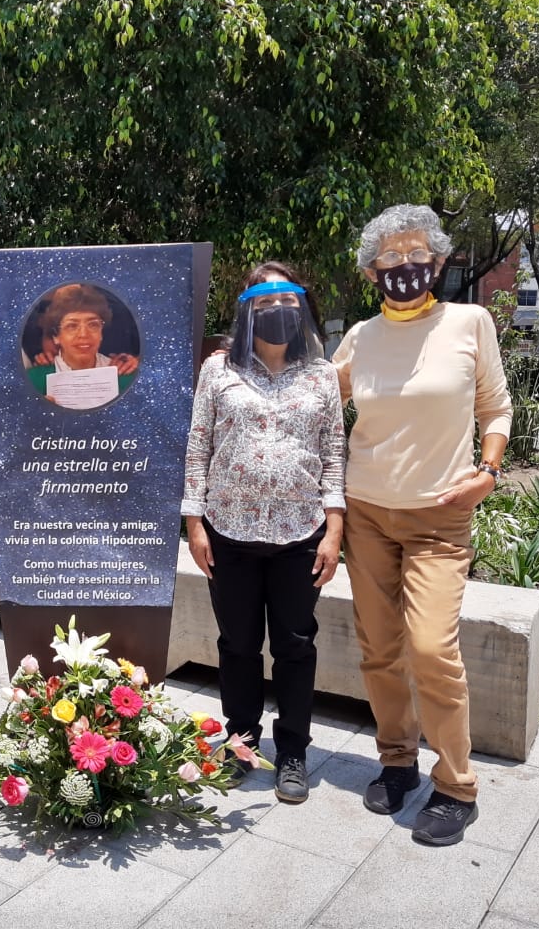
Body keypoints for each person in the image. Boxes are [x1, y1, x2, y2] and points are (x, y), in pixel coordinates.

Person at [332, 204, 511, 846]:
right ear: (371, 269)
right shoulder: (360, 337)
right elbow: (320, 407)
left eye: (416, 257)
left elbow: (495, 404)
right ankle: (397, 760)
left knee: (433, 649)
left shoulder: (470, 321)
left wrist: (488, 471)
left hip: (441, 516)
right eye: (390, 259)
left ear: (437, 261)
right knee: (380, 649)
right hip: (368, 514)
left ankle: (458, 785)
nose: (404, 268)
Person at [182, 263, 345, 804]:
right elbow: (197, 446)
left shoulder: (322, 374)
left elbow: (334, 454)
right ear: (247, 308)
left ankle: (293, 750)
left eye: (287, 301)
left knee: (296, 646)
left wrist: (334, 529)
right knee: (238, 645)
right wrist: (194, 522)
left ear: (302, 306)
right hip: (229, 532)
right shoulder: (218, 370)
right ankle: (241, 741)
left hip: (301, 534)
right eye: (264, 302)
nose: (276, 311)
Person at [26, 283, 138, 406]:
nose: (84, 334)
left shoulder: (126, 378)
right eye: (72, 326)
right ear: (56, 336)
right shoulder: (33, 381)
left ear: (101, 332)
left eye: (93, 324)